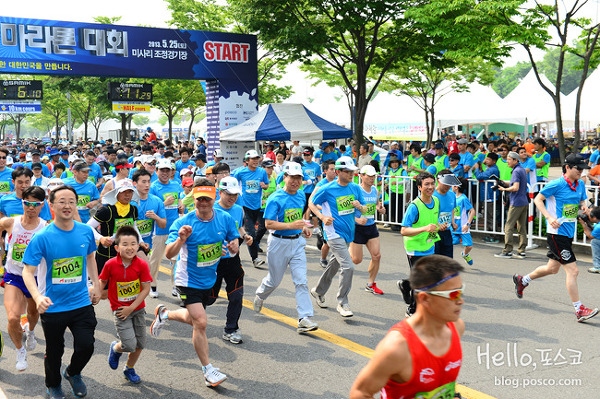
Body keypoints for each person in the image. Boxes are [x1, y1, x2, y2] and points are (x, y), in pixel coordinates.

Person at [149, 179, 239, 388]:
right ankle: (208, 370)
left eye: (207, 199)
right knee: (201, 322)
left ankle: (165, 314)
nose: (203, 203)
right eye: (199, 199)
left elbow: (233, 243)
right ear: (194, 200)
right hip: (186, 279)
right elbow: (169, 254)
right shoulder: (184, 223)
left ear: (214, 197)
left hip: (209, 278)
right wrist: (180, 240)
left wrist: (233, 247)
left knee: (192, 318)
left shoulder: (224, 218)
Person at [22, 185, 101, 399]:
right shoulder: (42, 237)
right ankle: (53, 384)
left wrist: (96, 283)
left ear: (76, 205)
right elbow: (27, 272)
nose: (67, 206)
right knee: (55, 351)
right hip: (53, 305)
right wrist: (37, 297)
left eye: (71, 201)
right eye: (62, 201)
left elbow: (91, 258)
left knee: (87, 345)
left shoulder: (85, 231)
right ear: (51, 205)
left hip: (81, 301)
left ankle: (73, 373)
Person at [350, 255, 465, 399]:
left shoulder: (457, 328)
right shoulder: (397, 348)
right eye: (453, 294)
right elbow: (360, 393)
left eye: (461, 291)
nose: (461, 301)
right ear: (425, 298)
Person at [513, 154, 599, 322]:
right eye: (578, 168)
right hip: (556, 234)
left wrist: (585, 208)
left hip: (568, 233)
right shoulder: (556, 184)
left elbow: (581, 201)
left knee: (552, 268)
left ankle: (522, 280)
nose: (581, 171)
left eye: (583, 169)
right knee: (573, 271)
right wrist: (548, 217)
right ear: (567, 168)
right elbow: (538, 199)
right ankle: (579, 309)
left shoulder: (580, 184)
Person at [253, 162, 318, 332]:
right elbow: (268, 224)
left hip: (297, 243)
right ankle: (260, 295)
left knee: (301, 281)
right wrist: (291, 226)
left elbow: (298, 217)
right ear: (284, 178)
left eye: (299, 178)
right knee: (274, 281)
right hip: (278, 243)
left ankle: (304, 318)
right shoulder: (275, 198)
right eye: (292, 178)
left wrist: (303, 226)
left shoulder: (301, 195)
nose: (295, 181)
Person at [309, 156, 367, 317]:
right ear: (338, 171)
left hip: (349, 232)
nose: (351, 174)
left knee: (334, 263)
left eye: (353, 172)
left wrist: (359, 206)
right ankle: (343, 303)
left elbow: (365, 209)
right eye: (348, 172)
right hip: (333, 233)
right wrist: (321, 218)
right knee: (348, 266)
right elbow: (311, 203)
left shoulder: (355, 188)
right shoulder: (327, 189)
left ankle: (318, 291)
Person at [1, 186, 46, 371]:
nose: (31, 207)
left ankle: (32, 332)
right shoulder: (11, 223)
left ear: (42, 205)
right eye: (28, 203)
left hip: (35, 279)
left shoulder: (45, 228)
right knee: (12, 318)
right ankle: (20, 351)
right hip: (14, 276)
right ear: (23, 202)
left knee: (33, 315)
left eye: (36, 204)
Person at [100, 225, 152, 384]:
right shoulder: (110, 264)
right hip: (120, 311)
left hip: (137, 309)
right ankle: (116, 348)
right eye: (125, 244)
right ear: (117, 247)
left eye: (133, 244)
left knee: (140, 344)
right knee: (129, 344)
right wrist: (93, 294)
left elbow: (146, 289)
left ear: (138, 245)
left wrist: (132, 307)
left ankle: (129, 368)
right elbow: (102, 282)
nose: (129, 247)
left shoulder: (142, 264)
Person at [209, 176, 252, 344]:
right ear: (220, 192)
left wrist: (245, 236)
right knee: (210, 298)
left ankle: (231, 328)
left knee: (236, 295)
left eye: (235, 194)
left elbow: (239, 227)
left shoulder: (238, 209)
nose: (233, 198)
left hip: (233, 260)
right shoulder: (211, 210)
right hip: (213, 261)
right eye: (229, 194)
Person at [398, 172, 443, 317]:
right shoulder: (414, 206)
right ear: (419, 187)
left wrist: (440, 226)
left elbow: (432, 222)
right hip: (415, 249)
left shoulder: (436, 201)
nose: (430, 187)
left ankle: (406, 285)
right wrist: (424, 228)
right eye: (426, 184)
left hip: (429, 245)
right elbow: (404, 230)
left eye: (432, 183)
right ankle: (412, 310)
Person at [148, 159, 182, 297]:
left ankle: (176, 286)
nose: (165, 173)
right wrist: (164, 203)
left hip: (174, 229)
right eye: (162, 170)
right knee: (155, 261)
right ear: (157, 171)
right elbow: (150, 210)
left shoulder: (176, 184)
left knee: (176, 260)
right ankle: (153, 286)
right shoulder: (153, 187)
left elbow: (179, 198)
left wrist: (180, 204)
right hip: (159, 230)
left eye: (168, 170)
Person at [349, 165, 386, 295]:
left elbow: (376, 204)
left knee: (377, 256)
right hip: (357, 228)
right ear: (361, 176)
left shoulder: (375, 190)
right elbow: (345, 211)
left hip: (371, 227)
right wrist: (357, 220)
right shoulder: (355, 190)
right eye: (369, 176)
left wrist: (380, 209)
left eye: (373, 176)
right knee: (356, 260)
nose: (371, 178)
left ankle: (371, 284)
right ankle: (344, 251)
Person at [232, 150, 270, 267]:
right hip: (245, 206)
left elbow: (267, 184)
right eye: (252, 159)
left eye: (257, 158)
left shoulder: (262, 171)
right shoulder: (240, 172)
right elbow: (232, 183)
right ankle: (255, 259)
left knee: (246, 233)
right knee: (251, 233)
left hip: (257, 206)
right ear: (247, 161)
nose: (255, 161)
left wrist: (265, 186)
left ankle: (233, 250)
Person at [495, 151, 529, 258]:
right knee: (522, 227)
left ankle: (507, 250)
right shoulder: (521, 169)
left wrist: (504, 189)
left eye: (509, 159)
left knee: (508, 226)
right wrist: (503, 182)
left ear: (515, 160)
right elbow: (514, 183)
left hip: (516, 202)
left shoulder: (516, 171)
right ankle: (522, 250)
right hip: (524, 201)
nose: (507, 161)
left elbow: (515, 187)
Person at [433, 173, 460, 258]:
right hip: (434, 232)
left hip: (447, 232)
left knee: (448, 259)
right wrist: (438, 225)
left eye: (449, 185)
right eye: (445, 184)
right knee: (435, 259)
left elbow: (451, 209)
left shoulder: (452, 194)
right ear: (438, 181)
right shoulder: (432, 195)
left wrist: (453, 222)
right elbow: (428, 213)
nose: (447, 187)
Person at [452, 177, 475, 265]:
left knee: (469, 245)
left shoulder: (463, 198)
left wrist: (467, 224)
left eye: (453, 185)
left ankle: (465, 254)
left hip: (463, 227)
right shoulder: (452, 196)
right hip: (453, 226)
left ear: (456, 187)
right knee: (451, 243)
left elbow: (472, 211)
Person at [579, 207, 600, 273]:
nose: (588, 216)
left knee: (594, 241)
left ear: (594, 218)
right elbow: (593, 229)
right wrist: (588, 222)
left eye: (589, 215)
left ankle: (597, 267)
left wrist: (583, 224)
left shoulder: (598, 227)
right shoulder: (598, 223)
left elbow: (590, 236)